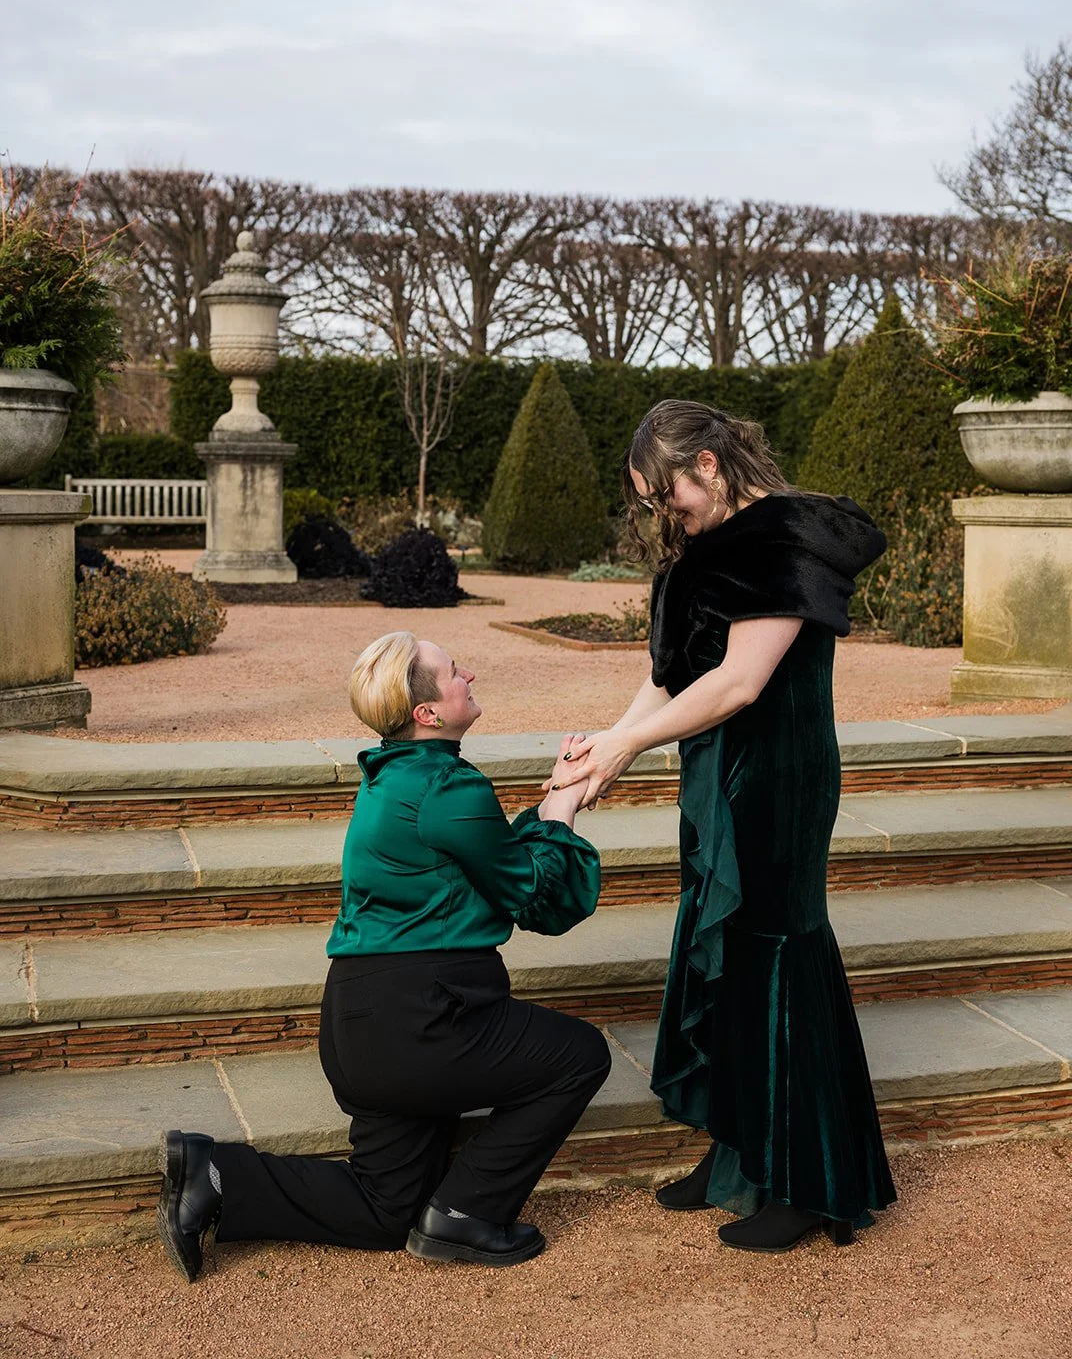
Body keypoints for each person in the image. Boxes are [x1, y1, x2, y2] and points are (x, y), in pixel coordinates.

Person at [157, 631, 610, 1280]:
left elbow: (494, 863)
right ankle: (465, 1216)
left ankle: (216, 1173)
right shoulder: (446, 787)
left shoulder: (395, 776)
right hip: (425, 1022)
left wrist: (553, 803)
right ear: (427, 712)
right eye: (455, 672)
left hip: (366, 1027)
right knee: (578, 1057)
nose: (470, 675)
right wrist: (564, 804)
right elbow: (537, 895)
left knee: (384, 1210)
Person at [554, 398, 897, 1253]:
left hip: (777, 779)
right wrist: (608, 753)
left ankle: (810, 1183)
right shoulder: (708, 553)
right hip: (717, 779)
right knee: (731, 956)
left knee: (778, 957)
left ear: (706, 464)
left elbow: (741, 683)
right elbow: (673, 675)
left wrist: (629, 741)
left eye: (664, 494)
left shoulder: (786, 541)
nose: (663, 513)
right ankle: (738, 1153)